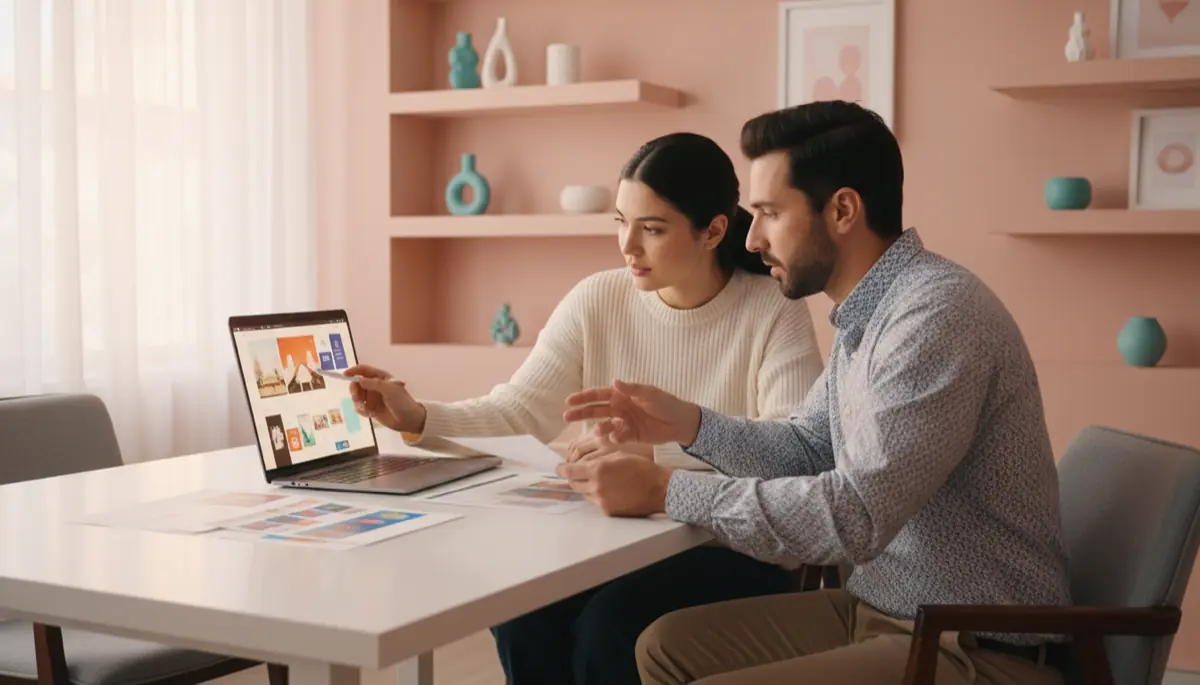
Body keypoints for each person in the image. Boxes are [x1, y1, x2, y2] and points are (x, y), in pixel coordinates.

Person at [558, 101, 1073, 685]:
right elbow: (806, 447)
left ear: (843, 210)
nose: (751, 239)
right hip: (882, 613)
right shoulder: (871, 315)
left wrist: (665, 490)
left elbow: (853, 516)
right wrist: (690, 424)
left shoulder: (935, 317)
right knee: (660, 647)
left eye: (770, 213)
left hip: (974, 648)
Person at [345, 132, 825, 685]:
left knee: (610, 624)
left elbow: (793, 451)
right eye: (621, 222)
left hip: (734, 545)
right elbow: (519, 410)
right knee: (523, 610)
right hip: (615, 539)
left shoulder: (772, 312)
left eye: (652, 229)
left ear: (713, 230)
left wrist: (654, 453)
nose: (628, 246)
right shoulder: (598, 299)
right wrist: (417, 417)